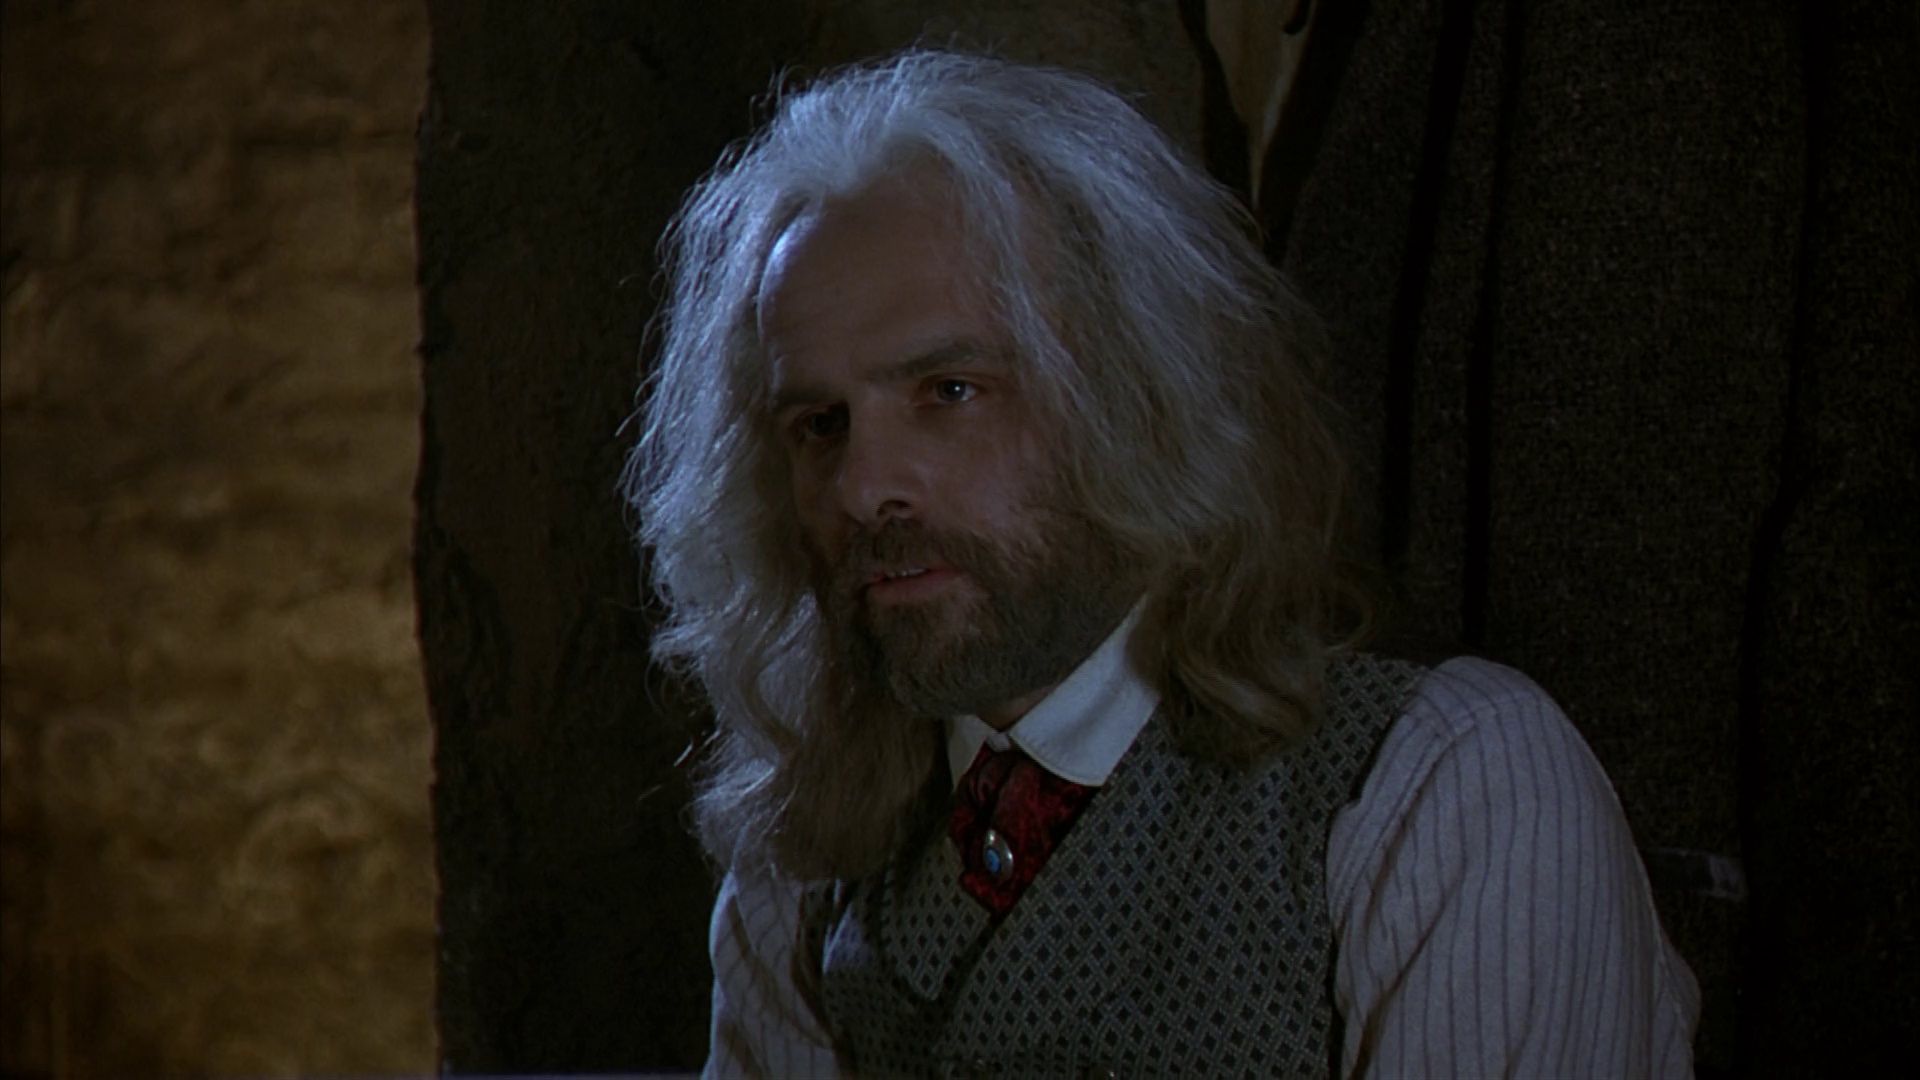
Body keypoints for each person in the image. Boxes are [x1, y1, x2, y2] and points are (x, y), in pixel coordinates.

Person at [630, 50, 1699, 1078]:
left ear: (1137, 399)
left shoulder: (1444, 794)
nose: (864, 488)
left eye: (950, 392)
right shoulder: (803, 875)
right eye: (819, 425)